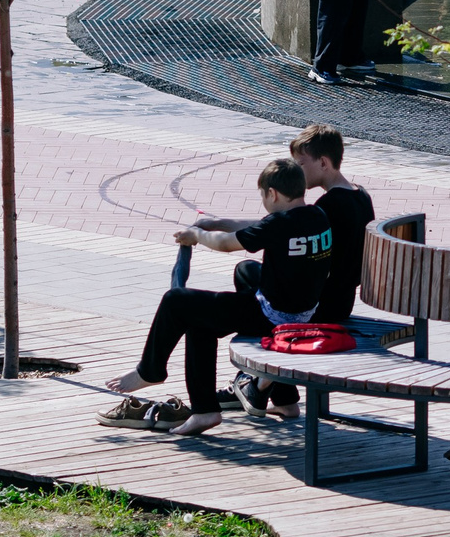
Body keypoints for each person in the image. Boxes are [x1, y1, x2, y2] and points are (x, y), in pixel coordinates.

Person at [102, 157, 333, 437]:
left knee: (179, 302)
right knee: (246, 270)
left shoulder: (279, 225)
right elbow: (261, 225)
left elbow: (225, 244)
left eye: (263, 196)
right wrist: (217, 223)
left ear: (272, 193)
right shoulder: (316, 216)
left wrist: (197, 235)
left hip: (273, 317)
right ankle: (285, 401)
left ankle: (154, 374)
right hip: (305, 311)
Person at [213, 123, 374, 417]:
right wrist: (227, 224)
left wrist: (223, 228)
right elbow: (283, 227)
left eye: (301, 164)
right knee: (249, 272)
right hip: (343, 298)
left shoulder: (328, 207)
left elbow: (283, 228)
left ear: (323, 163)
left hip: (322, 305)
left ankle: (256, 382)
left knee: (258, 287)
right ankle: (277, 393)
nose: (297, 172)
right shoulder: (360, 196)